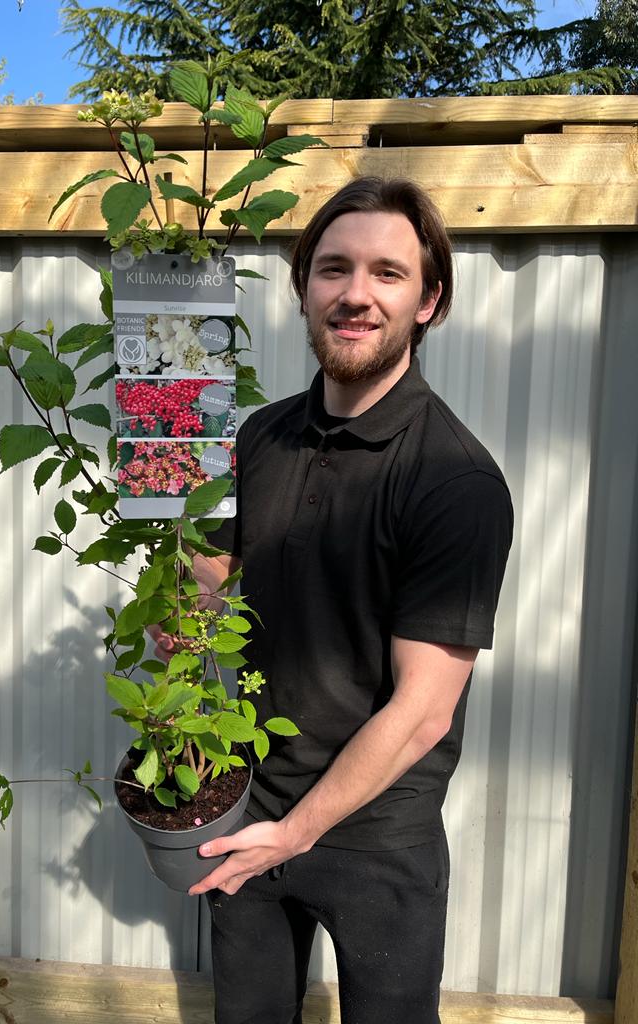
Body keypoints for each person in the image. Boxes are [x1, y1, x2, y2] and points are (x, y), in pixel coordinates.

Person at [151, 176, 513, 1024]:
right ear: (304, 286)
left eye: (388, 274)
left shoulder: (455, 481)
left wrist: (296, 831)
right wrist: (180, 608)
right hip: (247, 802)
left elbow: (423, 713)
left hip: (378, 836)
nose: (356, 295)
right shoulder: (260, 434)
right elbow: (220, 570)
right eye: (333, 269)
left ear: (429, 300)